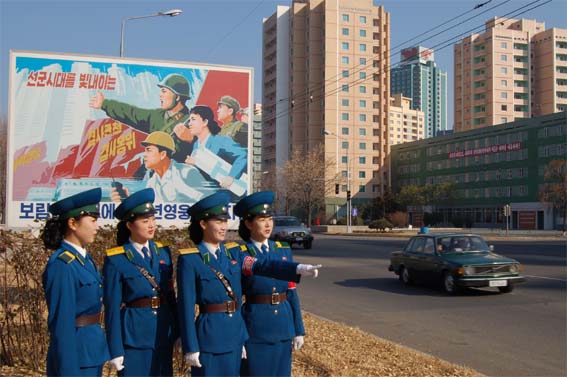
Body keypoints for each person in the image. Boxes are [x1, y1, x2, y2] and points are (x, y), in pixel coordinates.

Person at [176, 192, 321, 376]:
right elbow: (186, 306)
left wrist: (297, 268)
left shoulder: (234, 253)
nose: (224, 227)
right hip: (209, 335)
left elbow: (262, 265)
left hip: (235, 335)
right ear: (203, 224)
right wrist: (191, 346)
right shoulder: (191, 259)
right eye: (218, 222)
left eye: (225, 222)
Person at [102, 188, 177, 376]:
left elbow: (171, 297)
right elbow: (111, 307)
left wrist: (177, 332)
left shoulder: (163, 253)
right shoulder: (117, 259)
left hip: (162, 332)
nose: (151, 225)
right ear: (129, 225)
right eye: (145, 221)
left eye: (153, 219)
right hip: (134, 336)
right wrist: (115, 349)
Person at [234, 191, 306, 377]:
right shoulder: (240, 253)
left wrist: (298, 329)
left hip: (283, 326)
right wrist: (240, 336)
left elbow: (291, 291)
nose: (268, 224)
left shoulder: (282, 250)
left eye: (270, 219)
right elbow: (234, 298)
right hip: (256, 329)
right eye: (261, 219)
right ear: (249, 223)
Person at [41, 188, 110, 376]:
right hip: (76, 358)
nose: (97, 227)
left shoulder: (85, 260)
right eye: (93, 220)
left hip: (91, 351)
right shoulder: (63, 265)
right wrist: (68, 370)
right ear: (72, 223)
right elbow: (62, 325)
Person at [89, 73, 194, 163]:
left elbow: (205, 149)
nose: (160, 95)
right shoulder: (156, 116)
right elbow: (131, 113)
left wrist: (191, 139)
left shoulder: (192, 121)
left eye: (164, 91)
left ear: (178, 97)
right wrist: (105, 104)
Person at [184, 105, 247, 190]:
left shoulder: (221, 141)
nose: (189, 124)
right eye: (189, 120)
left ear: (205, 122)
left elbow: (243, 155)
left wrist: (231, 176)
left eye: (193, 119)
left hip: (230, 191)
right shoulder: (196, 145)